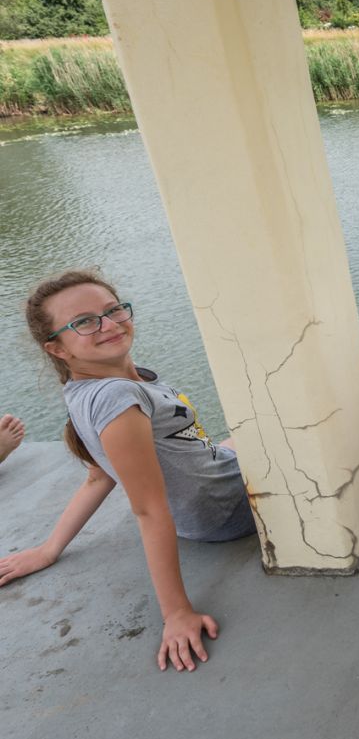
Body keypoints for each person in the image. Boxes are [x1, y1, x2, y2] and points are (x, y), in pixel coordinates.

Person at [0, 270, 255, 671]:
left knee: (248, 431)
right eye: (84, 322)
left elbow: (99, 475)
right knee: (290, 422)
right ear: (57, 348)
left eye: (113, 309)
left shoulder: (94, 388)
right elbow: (148, 510)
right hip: (231, 508)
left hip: (211, 482)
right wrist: (176, 613)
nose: (109, 324)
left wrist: (49, 550)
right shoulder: (117, 399)